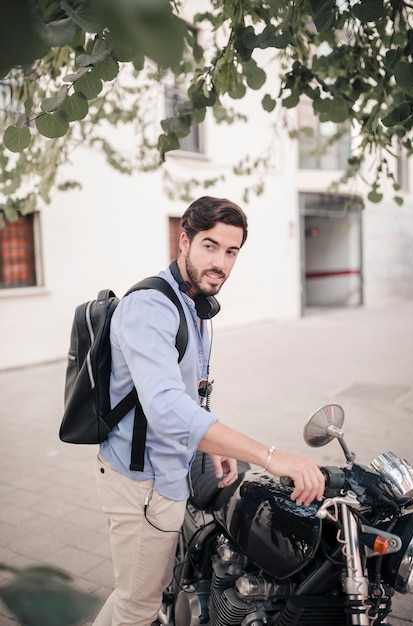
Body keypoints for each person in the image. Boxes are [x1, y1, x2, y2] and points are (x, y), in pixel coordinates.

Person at [93, 196, 325, 626]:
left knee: (135, 593)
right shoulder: (151, 307)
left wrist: (207, 445)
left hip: (165, 471)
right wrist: (273, 458)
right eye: (210, 245)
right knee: (138, 606)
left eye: (231, 251)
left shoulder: (193, 301)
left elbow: (186, 393)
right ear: (184, 240)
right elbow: (164, 410)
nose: (220, 261)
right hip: (142, 483)